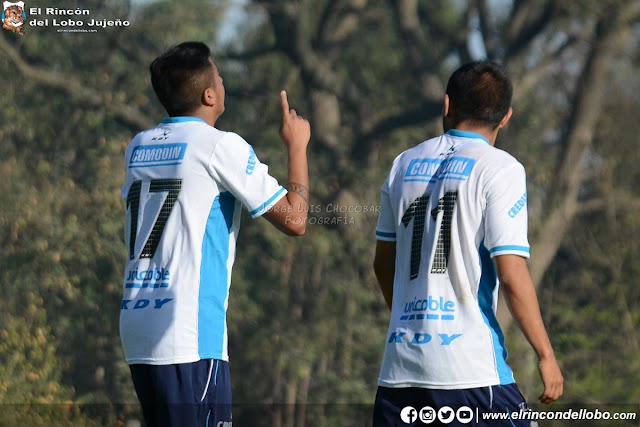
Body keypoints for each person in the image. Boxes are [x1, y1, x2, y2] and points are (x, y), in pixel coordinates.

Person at [120, 41, 310, 427]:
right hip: (189, 334)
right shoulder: (220, 145)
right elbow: (295, 220)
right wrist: (297, 147)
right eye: (219, 78)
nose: (223, 83)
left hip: (138, 325)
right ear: (209, 94)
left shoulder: (137, 147)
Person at [372, 61, 563, 426]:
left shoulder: (402, 163)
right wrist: (545, 354)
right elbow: (511, 273)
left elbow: (383, 264)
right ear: (505, 117)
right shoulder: (500, 168)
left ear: (447, 105)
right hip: (469, 373)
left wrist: (412, 322)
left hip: (399, 372)